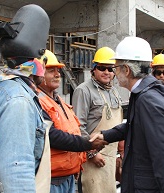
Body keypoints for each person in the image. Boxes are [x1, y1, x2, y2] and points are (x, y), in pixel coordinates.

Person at [91, 36, 164, 193]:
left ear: (126, 70)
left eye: (116, 67)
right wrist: (106, 136)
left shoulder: (148, 101)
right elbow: (137, 126)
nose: (114, 72)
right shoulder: (144, 93)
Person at [0, 5, 51, 193]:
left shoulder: (9, 88)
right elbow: (16, 173)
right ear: (37, 63)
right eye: (44, 63)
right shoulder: (19, 101)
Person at [37, 50, 108, 193]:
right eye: (51, 71)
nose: (58, 75)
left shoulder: (58, 101)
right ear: (38, 73)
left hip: (67, 176)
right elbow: (52, 136)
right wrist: (88, 145)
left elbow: (73, 129)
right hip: (51, 180)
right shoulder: (37, 101)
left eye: (58, 71)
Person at [72, 46, 123, 193]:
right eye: (102, 68)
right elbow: (77, 126)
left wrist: (121, 152)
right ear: (93, 70)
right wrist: (92, 153)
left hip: (111, 158)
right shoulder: (83, 91)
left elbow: (118, 125)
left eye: (110, 69)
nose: (106, 72)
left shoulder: (113, 91)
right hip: (91, 159)